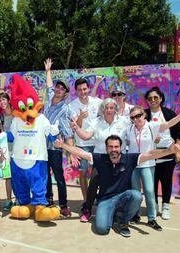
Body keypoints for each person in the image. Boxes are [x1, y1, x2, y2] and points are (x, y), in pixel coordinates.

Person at [54, 135, 180, 237]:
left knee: (136, 196)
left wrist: (170, 151)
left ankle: (122, 221)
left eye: (116, 146)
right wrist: (63, 145)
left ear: (121, 147)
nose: (113, 149)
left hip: (123, 197)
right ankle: (113, 215)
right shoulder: (99, 158)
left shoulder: (130, 159)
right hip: (105, 200)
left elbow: (151, 154)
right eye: (110, 147)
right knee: (102, 229)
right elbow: (81, 152)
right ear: (106, 148)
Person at [127, 105, 180, 230]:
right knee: (135, 193)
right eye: (133, 117)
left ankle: (151, 219)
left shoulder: (151, 126)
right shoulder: (129, 129)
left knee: (149, 191)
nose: (136, 119)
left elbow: (169, 124)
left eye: (138, 116)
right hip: (133, 165)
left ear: (144, 115)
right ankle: (135, 214)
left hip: (148, 164)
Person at [72, 98, 129, 222]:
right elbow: (86, 136)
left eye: (111, 108)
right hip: (100, 159)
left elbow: (132, 136)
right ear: (103, 110)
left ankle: (120, 212)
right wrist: (76, 128)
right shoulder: (96, 122)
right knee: (93, 184)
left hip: (118, 159)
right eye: (106, 108)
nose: (109, 110)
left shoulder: (124, 122)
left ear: (115, 109)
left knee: (120, 186)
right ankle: (87, 209)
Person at [144, 86, 180, 220]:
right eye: (150, 98)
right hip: (151, 155)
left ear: (161, 99)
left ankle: (165, 206)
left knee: (166, 182)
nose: (153, 100)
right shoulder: (144, 115)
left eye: (156, 97)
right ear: (147, 101)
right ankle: (154, 205)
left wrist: (178, 151)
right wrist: (151, 138)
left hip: (168, 154)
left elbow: (178, 135)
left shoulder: (169, 114)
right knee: (152, 184)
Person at [43, 58, 76, 217]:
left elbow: (68, 133)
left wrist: (72, 152)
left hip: (55, 148)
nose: (58, 89)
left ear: (65, 93)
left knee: (59, 177)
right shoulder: (49, 98)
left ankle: (63, 205)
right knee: (45, 175)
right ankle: (48, 200)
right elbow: (49, 85)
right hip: (41, 146)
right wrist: (48, 70)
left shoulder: (66, 110)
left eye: (62, 89)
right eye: (58, 87)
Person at [69, 77, 102, 209]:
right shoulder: (72, 106)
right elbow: (76, 126)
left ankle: (99, 199)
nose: (83, 92)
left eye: (84, 89)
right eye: (79, 90)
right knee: (83, 173)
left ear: (88, 89)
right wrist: (81, 117)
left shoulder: (97, 102)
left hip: (98, 144)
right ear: (76, 91)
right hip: (82, 144)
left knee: (99, 173)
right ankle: (86, 201)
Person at [0, 90, 14, 211]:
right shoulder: (0, 117)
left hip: (18, 149)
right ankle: (9, 200)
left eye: (3, 99)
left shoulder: (17, 114)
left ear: (8, 100)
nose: (1, 102)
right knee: (7, 176)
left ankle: (19, 199)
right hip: (6, 150)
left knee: (18, 176)